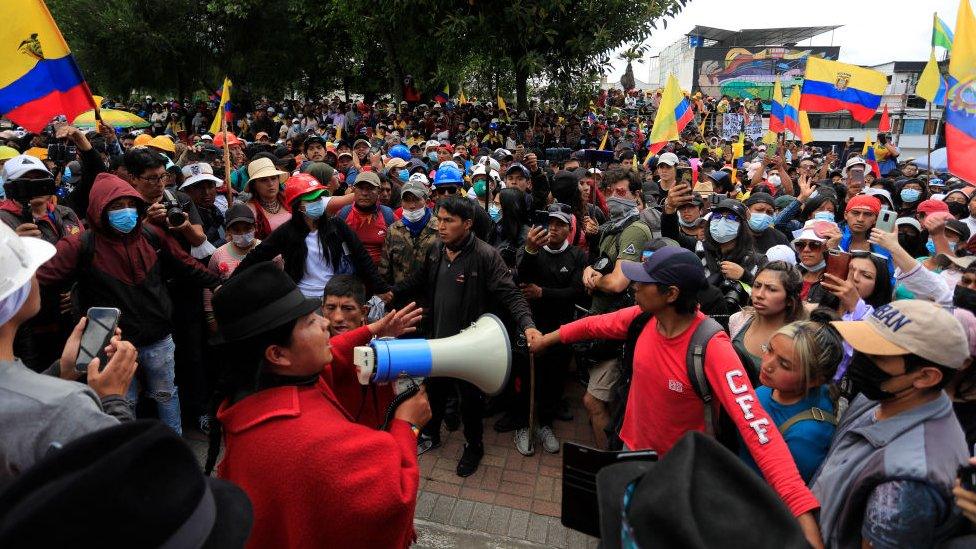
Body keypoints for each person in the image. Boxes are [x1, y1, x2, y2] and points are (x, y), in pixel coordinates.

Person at [531, 246, 822, 546]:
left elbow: (756, 426)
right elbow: (593, 325)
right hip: (631, 453)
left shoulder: (712, 348)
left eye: (644, 282)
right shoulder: (643, 318)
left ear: (670, 294)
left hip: (678, 482)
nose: (635, 287)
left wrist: (800, 508)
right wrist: (546, 340)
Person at [207, 262, 429, 549]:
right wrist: (407, 425)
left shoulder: (264, 389)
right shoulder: (313, 439)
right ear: (277, 354)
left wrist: (372, 328)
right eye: (310, 321)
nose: (327, 322)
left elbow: (335, 350)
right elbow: (392, 497)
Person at [37, 173, 221, 434]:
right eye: (115, 207)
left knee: (167, 394)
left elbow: (186, 264)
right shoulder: (81, 244)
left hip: (158, 336)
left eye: (130, 205)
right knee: (122, 400)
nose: (125, 212)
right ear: (99, 210)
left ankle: (174, 446)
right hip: (112, 343)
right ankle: (132, 453)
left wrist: (218, 283)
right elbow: (40, 279)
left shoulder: (150, 235)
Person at [391, 197, 540, 476]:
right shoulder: (436, 249)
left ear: (468, 224)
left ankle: (474, 447)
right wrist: (390, 292)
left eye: (449, 221)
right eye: (440, 219)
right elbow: (419, 280)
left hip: (469, 349)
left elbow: (511, 295)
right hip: (438, 342)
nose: (441, 226)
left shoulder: (485, 256)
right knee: (434, 392)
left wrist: (527, 324)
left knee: (469, 402)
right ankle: (431, 435)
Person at [815, 300, 970, 548]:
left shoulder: (908, 481)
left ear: (925, 376)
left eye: (877, 355)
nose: (859, 356)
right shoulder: (880, 396)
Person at [0, 222, 137, 487]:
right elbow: (123, 471)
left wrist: (61, 371)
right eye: (30, 269)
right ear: (13, 295)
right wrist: (112, 399)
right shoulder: (67, 406)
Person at [580, 168, 652, 448]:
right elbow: (604, 268)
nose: (613, 198)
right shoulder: (614, 226)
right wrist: (591, 270)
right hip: (604, 322)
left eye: (621, 192)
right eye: (609, 192)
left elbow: (618, 283)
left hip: (618, 328)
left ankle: (608, 465)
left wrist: (596, 281)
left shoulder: (634, 229)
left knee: (593, 401)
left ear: (636, 196)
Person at [234, 173, 390, 300]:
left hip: (335, 298)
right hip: (303, 301)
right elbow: (257, 256)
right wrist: (229, 282)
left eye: (319, 198)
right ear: (298, 205)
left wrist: (381, 288)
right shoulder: (287, 232)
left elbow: (361, 255)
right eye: (311, 199)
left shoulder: (337, 226)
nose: (317, 202)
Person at [513, 203, 586, 455]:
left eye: (560, 225)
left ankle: (545, 424)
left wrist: (543, 293)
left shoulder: (577, 255)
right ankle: (523, 425)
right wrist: (530, 251)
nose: (553, 229)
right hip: (532, 326)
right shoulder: (532, 249)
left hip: (561, 328)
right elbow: (521, 280)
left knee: (554, 380)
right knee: (526, 377)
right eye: (550, 223)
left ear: (569, 229)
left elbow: (576, 292)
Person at [739, 317, 844, 483]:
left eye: (785, 365)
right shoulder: (779, 385)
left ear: (815, 380)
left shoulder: (805, 436)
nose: (767, 365)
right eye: (769, 349)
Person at [321, 274, 403, 428]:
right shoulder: (317, 352)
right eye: (331, 308)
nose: (338, 317)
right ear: (322, 310)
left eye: (348, 308)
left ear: (364, 311)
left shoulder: (380, 345)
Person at [728, 261, 807, 372]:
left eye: (771, 289)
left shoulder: (800, 338)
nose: (759, 294)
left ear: (790, 300)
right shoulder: (738, 319)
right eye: (757, 286)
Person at [378, 180, 437, 309]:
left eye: (416, 200)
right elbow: (384, 268)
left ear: (426, 202)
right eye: (407, 200)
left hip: (431, 302)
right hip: (400, 302)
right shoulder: (393, 230)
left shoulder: (439, 229)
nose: (412, 206)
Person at [335, 171, 395, 265]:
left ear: (378, 191)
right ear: (354, 190)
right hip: (351, 275)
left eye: (370, 188)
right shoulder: (343, 214)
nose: (364, 193)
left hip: (381, 275)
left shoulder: (388, 215)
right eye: (360, 188)